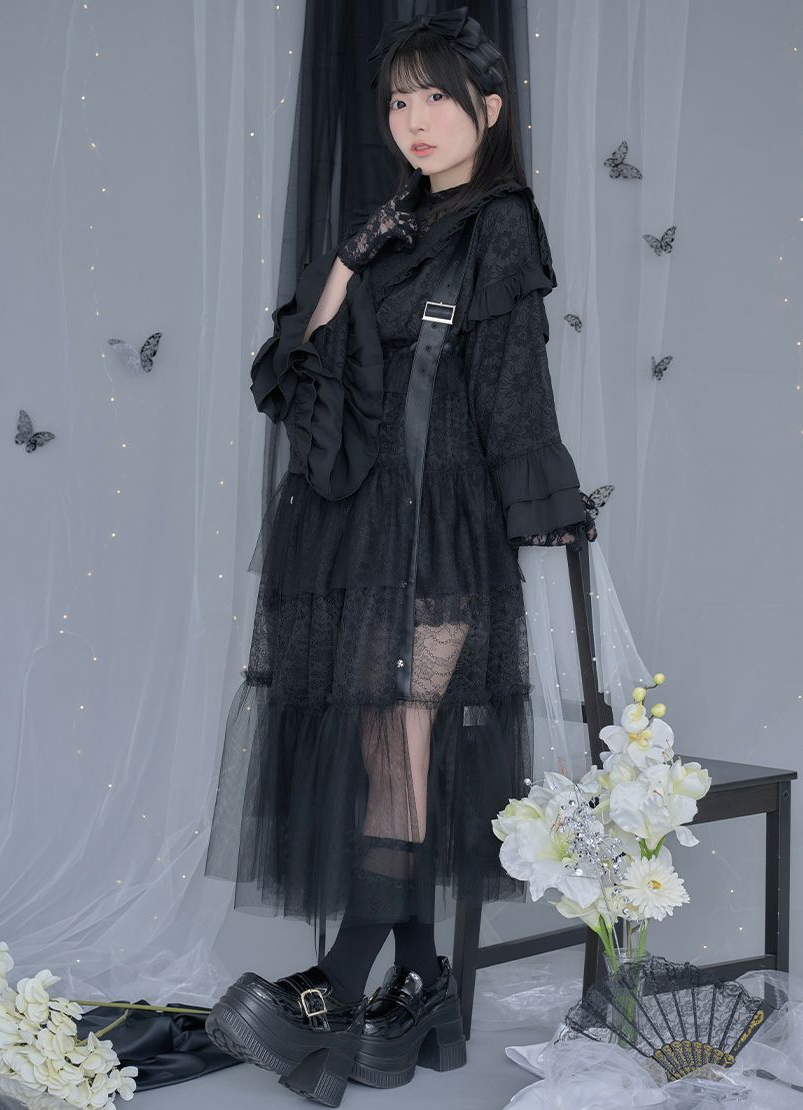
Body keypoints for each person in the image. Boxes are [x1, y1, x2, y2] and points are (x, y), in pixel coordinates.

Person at [203, 8, 596, 1106]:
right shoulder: (392, 227)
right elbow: (297, 371)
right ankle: (421, 988)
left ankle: (335, 985)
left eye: (437, 98)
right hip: (360, 524)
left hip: (439, 528)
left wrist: (545, 500)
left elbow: (513, 380)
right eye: (397, 101)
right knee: (391, 750)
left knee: (403, 734)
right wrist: (346, 254)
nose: (414, 120)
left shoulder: (500, 223)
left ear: (489, 109)